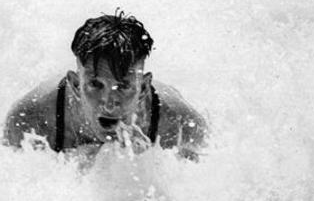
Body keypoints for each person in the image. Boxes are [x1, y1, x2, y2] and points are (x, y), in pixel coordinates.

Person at [3, 12, 207, 161]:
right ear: (75, 84)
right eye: (95, 84)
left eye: (124, 86)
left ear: (144, 88)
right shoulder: (31, 121)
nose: (109, 104)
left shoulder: (178, 123)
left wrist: (148, 168)